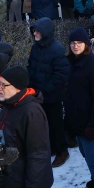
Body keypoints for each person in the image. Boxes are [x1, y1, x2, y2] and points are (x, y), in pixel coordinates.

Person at [63, 28, 94, 188]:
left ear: (86, 45)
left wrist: (93, 125)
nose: (75, 46)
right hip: (77, 121)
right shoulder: (71, 63)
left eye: (79, 43)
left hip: (90, 124)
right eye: (73, 43)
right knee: (88, 160)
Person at [27, 17, 71, 168]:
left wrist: (43, 89)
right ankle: (52, 147)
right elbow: (31, 66)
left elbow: (61, 75)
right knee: (44, 124)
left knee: (56, 124)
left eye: (37, 31)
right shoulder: (36, 47)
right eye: (34, 31)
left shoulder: (57, 49)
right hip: (37, 95)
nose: (35, 34)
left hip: (52, 96)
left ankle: (62, 151)